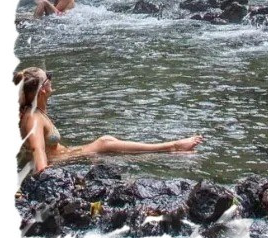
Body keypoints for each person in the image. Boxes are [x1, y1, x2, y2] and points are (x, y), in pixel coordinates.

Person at [14, 67, 204, 173]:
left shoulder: (36, 112)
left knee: (108, 142)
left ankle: (170, 150)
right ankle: (172, 147)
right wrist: (47, 179)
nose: (52, 80)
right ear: (43, 89)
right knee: (105, 143)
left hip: (66, 154)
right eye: (49, 78)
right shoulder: (33, 118)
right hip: (62, 160)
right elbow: (37, 150)